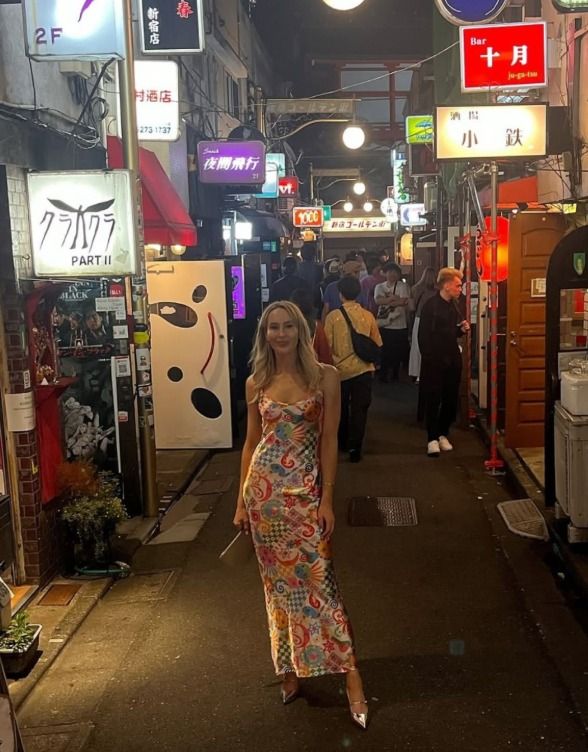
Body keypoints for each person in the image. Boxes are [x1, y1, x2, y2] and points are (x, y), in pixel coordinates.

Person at [233, 301, 369, 729]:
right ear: (264, 334)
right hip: (264, 498)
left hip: (306, 494)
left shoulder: (326, 377)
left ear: (301, 331)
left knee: (321, 584)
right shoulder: (256, 382)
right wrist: (240, 502)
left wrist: (327, 498)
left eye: (288, 326)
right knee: (278, 591)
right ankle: (289, 669)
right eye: (273, 327)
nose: (281, 333)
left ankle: (351, 675)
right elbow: (251, 443)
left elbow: (329, 440)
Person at [325, 276, 382, 463]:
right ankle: (355, 447)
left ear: (340, 294)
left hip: (339, 372)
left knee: (340, 408)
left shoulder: (333, 317)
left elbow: (327, 346)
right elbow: (377, 342)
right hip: (363, 369)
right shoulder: (368, 315)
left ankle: (342, 442)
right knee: (360, 409)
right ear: (358, 293)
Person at [418, 267, 470, 457]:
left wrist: (460, 330)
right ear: (446, 285)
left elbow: (450, 333)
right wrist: (429, 358)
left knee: (450, 398)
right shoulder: (430, 306)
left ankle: (443, 433)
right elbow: (423, 336)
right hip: (435, 360)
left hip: (452, 358)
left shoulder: (454, 305)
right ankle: (432, 437)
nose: (460, 289)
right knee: (434, 398)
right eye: (458, 285)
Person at [374, 262, 410, 382]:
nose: (392, 274)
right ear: (385, 273)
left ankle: (395, 374)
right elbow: (378, 301)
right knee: (384, 350)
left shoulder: (402, 286)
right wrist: (394, 299)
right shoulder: (379, 286)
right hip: (385, 324)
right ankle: (383, 374)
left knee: (398, 351)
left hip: (400, 324)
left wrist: (387, 300)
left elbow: (404, 301)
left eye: (395, 272)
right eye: (389, 272)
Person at [408, 267, 437, 382]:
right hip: (433, 321)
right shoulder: (437, 291)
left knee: (417, 346)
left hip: (419, 319)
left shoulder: (415, 289)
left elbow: (411, 308)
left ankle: (416, 373)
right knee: (431, 347)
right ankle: (430, 373)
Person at [290, 287, 332, 364]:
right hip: (313, 367)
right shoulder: (317, 326)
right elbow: (325, 356)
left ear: (295, 305)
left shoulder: (288, 326)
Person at [321, 256, 361, 321]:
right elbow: (364, 308)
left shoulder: (331, 287)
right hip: (356, 323)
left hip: (334, 322)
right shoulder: (360, 288)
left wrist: (324, 325)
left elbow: (326, 310)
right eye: (357, 272)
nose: (359, 275)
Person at [298, 242, 324, 311]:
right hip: (316, 298)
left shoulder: (297, 267)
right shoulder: (319, 268)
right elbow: (321, 282)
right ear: (314, 255)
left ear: (301, 255)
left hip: (299, 299)